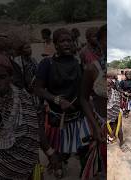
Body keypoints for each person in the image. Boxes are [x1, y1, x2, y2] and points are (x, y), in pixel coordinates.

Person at [35, 28, 90, 178]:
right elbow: (38, 89)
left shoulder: (78, 62)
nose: (67, 44)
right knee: (59, 154)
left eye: (69, 41)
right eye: (62, 41)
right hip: (58, 120)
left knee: (85, 151)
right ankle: (58, 167)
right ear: (56, 44)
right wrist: (57, 100)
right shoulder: (47, 63)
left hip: (79, 117)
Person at [0, 53, 39, 179]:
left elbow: (34, 126)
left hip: (27, 162)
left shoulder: (22, 96)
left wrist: (49, 151)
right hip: (1, 166)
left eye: (2, 77)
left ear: (10, 76)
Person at [80, 25, 107, 179]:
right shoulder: (92, 69)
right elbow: (83, 98)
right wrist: (96, 127)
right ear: (100, 42)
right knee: (102, 163)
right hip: (100, 122)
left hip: (114, 118)